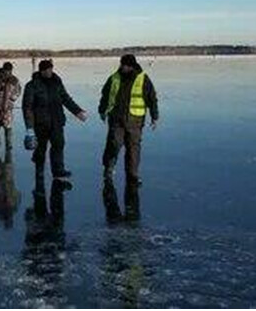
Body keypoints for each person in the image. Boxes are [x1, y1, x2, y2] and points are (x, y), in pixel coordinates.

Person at [98, 54, 158, 215]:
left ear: (131, 65)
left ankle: (133, 175)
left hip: (135, 120)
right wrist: (102, 110)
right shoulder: (114, 77)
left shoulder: (143, 78)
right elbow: (105, 95)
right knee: (114, 144)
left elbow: (152, 98)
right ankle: (108, 168)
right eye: (121, 64)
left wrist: (155, 116)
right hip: (116, 119)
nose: (122, 67)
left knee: (133, 149)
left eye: (125, 65)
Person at [22, 59, 88, 190]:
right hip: (41, 123)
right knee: (41, 149)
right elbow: (27, 107)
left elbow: (65, 98)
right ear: (41, 71)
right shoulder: (32, 85)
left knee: (58, 145)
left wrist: (78, 111)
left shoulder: (57, 82)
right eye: (45, 70)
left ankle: (58, 171)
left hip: (57, 121)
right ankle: (39, 170)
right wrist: (29, 128)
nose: (48, 72)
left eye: (50, 69)